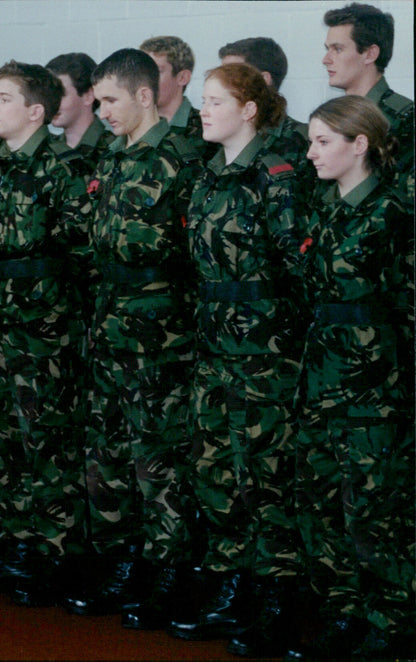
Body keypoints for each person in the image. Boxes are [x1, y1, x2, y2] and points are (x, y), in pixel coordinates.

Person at [167, 64, 305, 657]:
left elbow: (298, 270)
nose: (203, 110)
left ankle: (280, 595)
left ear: (249, 110)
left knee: (267, 473)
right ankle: (232, 582)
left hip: (265, 350)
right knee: (215, 465)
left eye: (215, 101)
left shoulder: (273, 176)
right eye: (202, 101)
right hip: (214, 343)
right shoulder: (207, 175)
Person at [63, 47, 201, 625]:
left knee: (159, 461)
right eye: (97, 100)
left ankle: (168, 571)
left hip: (160, 335)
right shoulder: (112, 158)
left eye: (111, 100)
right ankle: (121, 562)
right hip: (109, 326)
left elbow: (196, 258)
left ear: (145, 96)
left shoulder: (183, 159)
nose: (103, 111)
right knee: (107, 455)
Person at [0, 61, 89, 608]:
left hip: (43, 327)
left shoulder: (63, 170)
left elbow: (80, 253)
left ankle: (54, 550)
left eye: (3, 99)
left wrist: (59, 319)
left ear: (36, 111)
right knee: (3, 437)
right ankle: (16, 538)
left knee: (44, 440)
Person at [291, 95, 414, 661]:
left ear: (358, 144)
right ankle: (343, 610)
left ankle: (393, 620)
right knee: (319, 501)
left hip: (376, 389)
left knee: (375, 509)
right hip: (321, 380)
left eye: (322, 142)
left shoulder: (397, 211)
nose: (310, 152)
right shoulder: (323, 204)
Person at [322, 2, 414, 200]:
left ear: (370, 54)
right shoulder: (330, 119)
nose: (326, 59)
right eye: (327, 49)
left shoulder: (405, 119)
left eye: (337, 49)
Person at [218, 37, 315, 202]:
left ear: (263, 80)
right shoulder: (219, 136)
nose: (220, 85)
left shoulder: (304, 141)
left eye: (231, 76)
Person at [139, 36, 211, 158]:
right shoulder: (133, 126)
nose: (144, 80)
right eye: (140, 72)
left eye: (155, 72)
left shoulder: (207, 129)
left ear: (182, 78)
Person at [45, 52, 114, 173]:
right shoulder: (48, 151)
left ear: (88, 95)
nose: (51, 103)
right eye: (48, 95)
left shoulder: (113, 150)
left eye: (60, 94)